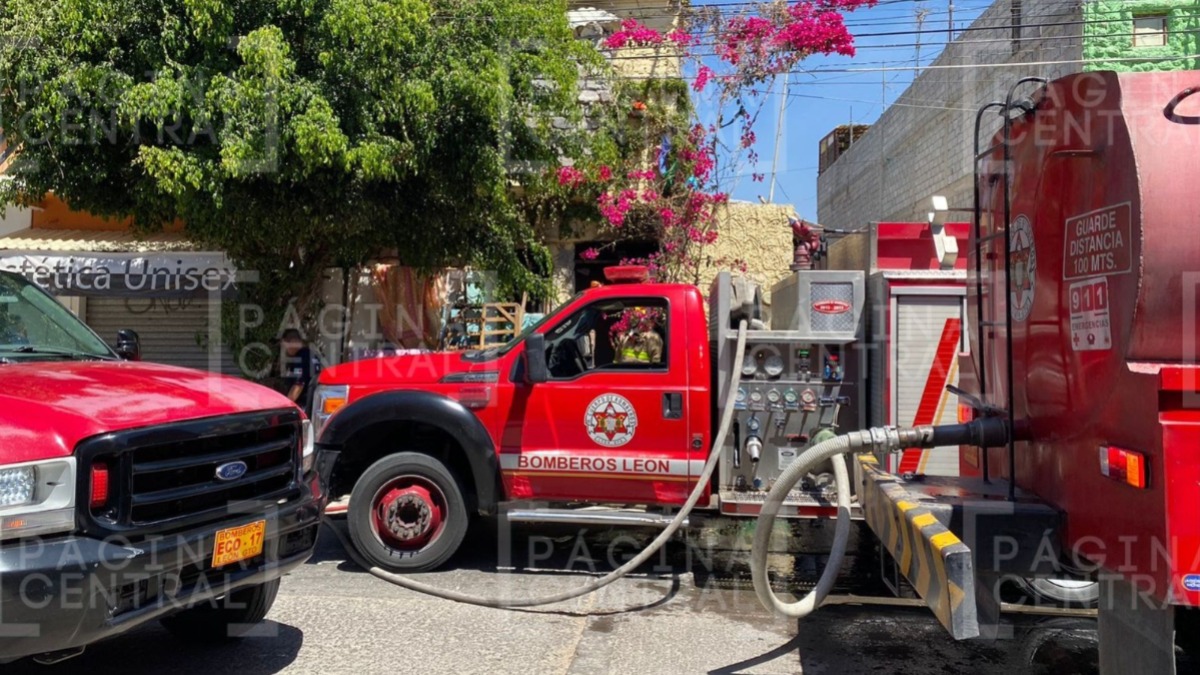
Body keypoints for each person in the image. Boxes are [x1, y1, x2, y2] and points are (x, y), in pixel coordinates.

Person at [280, 329, 320, 412]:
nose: (286, 350)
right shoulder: (311, 354)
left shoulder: (299, 358)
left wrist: (285, 406)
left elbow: (298, 386)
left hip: (303, 406)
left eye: (286, 346)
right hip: (313, 404)